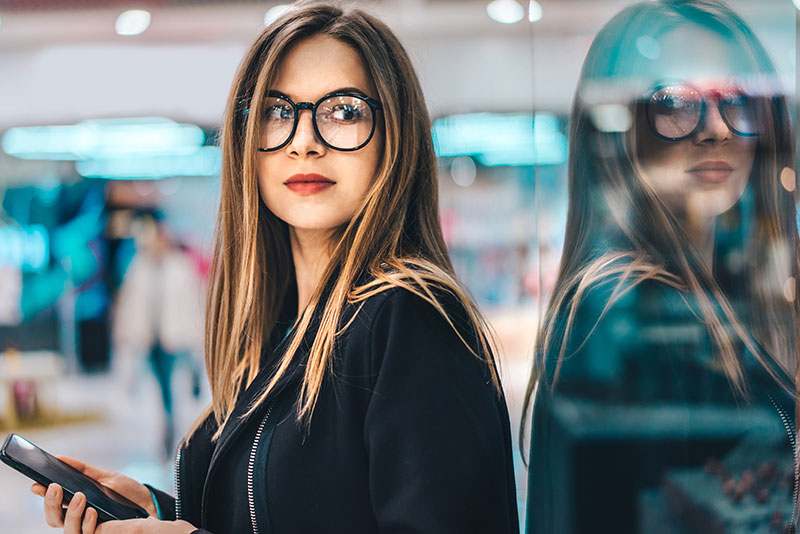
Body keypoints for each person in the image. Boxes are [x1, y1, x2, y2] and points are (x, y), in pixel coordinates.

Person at [32, 3, 520, 534]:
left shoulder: (412, 321)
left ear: (394, 138)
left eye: (345, 111)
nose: (304, 141)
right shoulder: (283, 327)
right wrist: (160, 511)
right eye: (277, 111)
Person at [522, 1, 798, 533]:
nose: (716, 128)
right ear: (621, 132)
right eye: (675, 101)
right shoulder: (620, 308)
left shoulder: (721, 301)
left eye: (736, 99)